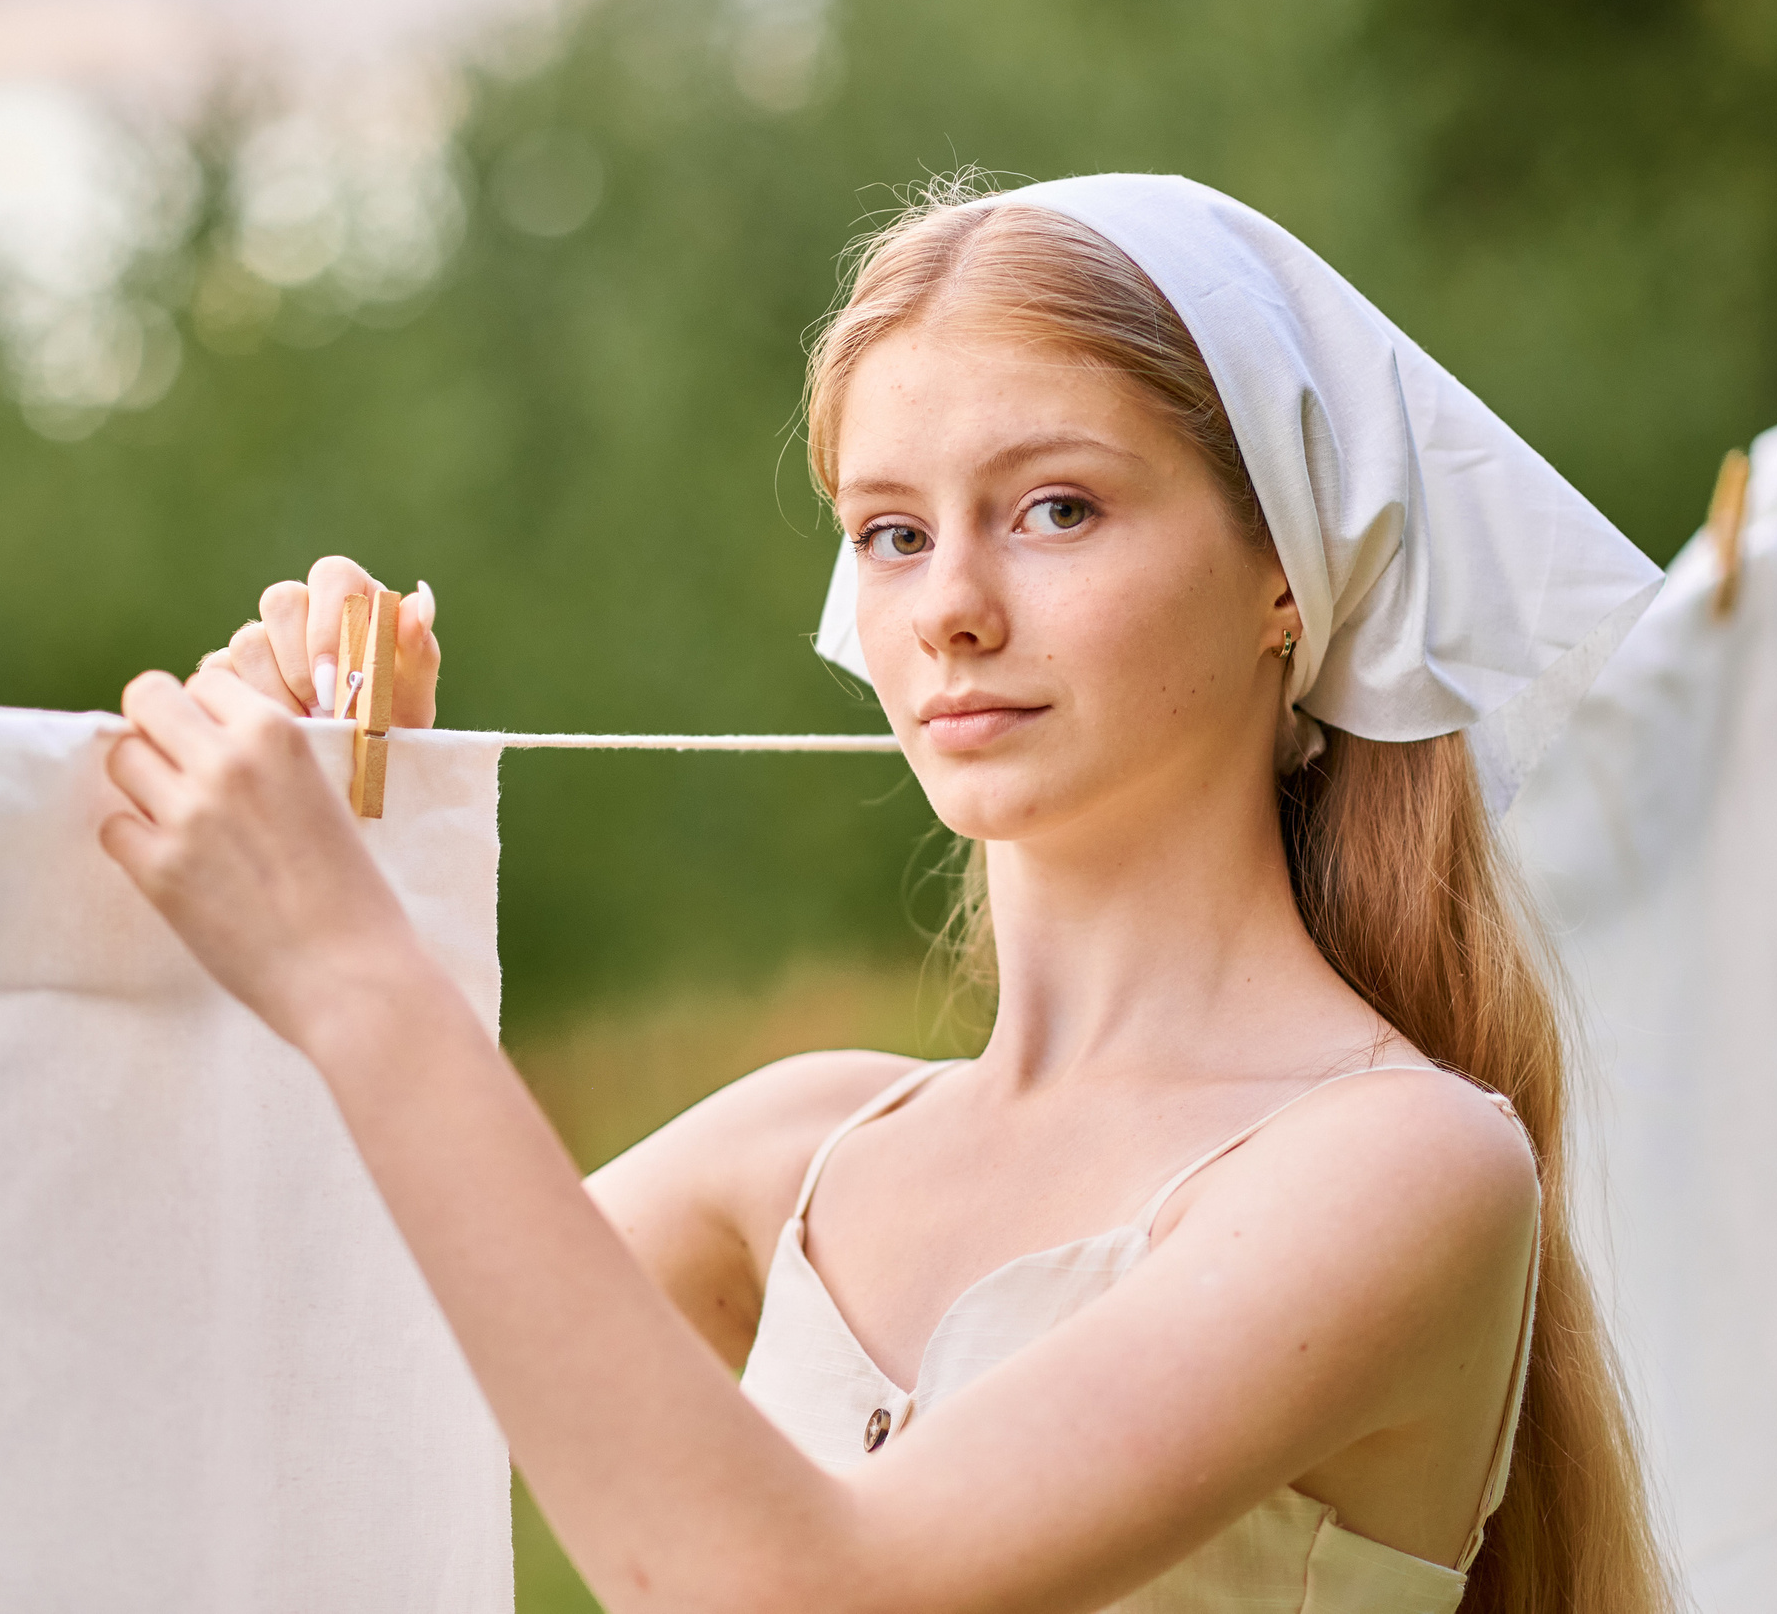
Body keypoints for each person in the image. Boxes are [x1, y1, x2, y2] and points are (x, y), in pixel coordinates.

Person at [103, 173, 1674, 1613]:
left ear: (1287, 567)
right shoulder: (796, 1148)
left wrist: (359, 968)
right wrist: (361, 840)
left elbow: (812, 1588)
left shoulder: (1405, 1167)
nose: (951, 611)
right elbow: (249, 1376)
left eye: (1057, 507)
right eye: (894, 533)